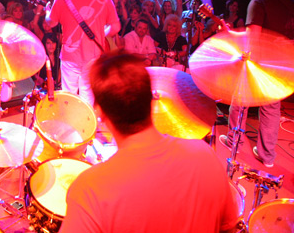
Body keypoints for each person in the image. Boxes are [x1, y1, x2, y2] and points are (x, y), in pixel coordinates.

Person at [59, 51, 239, 233]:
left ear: (99, 112)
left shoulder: (90, 190)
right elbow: (229, 229)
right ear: (151, 100)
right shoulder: (204, 155)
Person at [220, 0, 294, 168]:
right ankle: (267, 155)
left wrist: (232, 39)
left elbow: (253, 40)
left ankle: (235, 143)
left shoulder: (258, 2)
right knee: (271, 108)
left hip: (259, 64)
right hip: (284, 65)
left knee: (240, 102)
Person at [45, 0, 121, 106]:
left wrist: (47, 12)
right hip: (93, 55)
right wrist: (100, 34)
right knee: (88, 93)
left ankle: (70, 124)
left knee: (69, 94)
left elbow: (51, 23)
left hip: (70, 54)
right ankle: (87, 126)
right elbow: (116, 27)